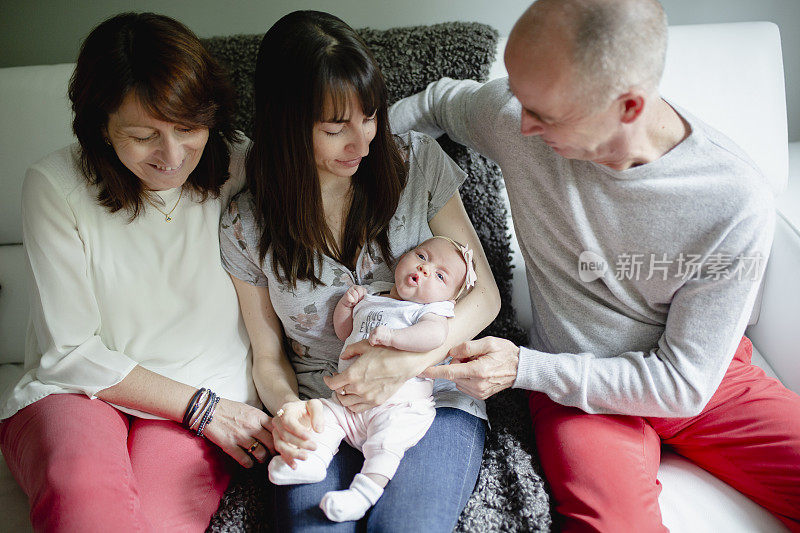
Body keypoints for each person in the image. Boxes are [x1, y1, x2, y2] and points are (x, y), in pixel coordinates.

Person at [389, 0, 800, 530]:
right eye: (519, 95)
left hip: (698, 379)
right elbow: (437, 102)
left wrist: (522, 367)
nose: (523, 124)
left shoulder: (732, 200)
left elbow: (683, 383)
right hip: (576, 390)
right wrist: (347, 176)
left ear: (627, 107)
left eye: (545, 114)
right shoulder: (514, 115)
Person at [219, 10, 500, 532]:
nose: (362, 142)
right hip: (323, 405)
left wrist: (406, 365)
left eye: (369, 116)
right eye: (335, 128)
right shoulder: (247, 224)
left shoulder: (416, 164)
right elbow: (267, 355)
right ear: (285, 125)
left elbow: (484, 297)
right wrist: (286, 411)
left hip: (428, 399)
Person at [0, 13, 275, 531]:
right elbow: (69, 352)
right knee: (84, 500)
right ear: (100, 127)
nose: (171, 156)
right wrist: (199, 407)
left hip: (204, 386)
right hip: (77, 391)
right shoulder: (55, 185)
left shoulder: (239, 165)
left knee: (159, 517)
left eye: (189, 128)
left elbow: (348, 151)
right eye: (143, 135)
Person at [268, 236, 477, 523]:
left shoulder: (430, 311)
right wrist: (346, 307)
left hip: (398, 408)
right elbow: (345, 334)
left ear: (449, 300)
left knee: (386, 445)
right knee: (325, 419)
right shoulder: (373, 297)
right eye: (422, 256)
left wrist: (394, 337)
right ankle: (312, 462)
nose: (425, 269)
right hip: (348, 402)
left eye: (440, 276)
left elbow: (434, 337)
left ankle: (362, 495)